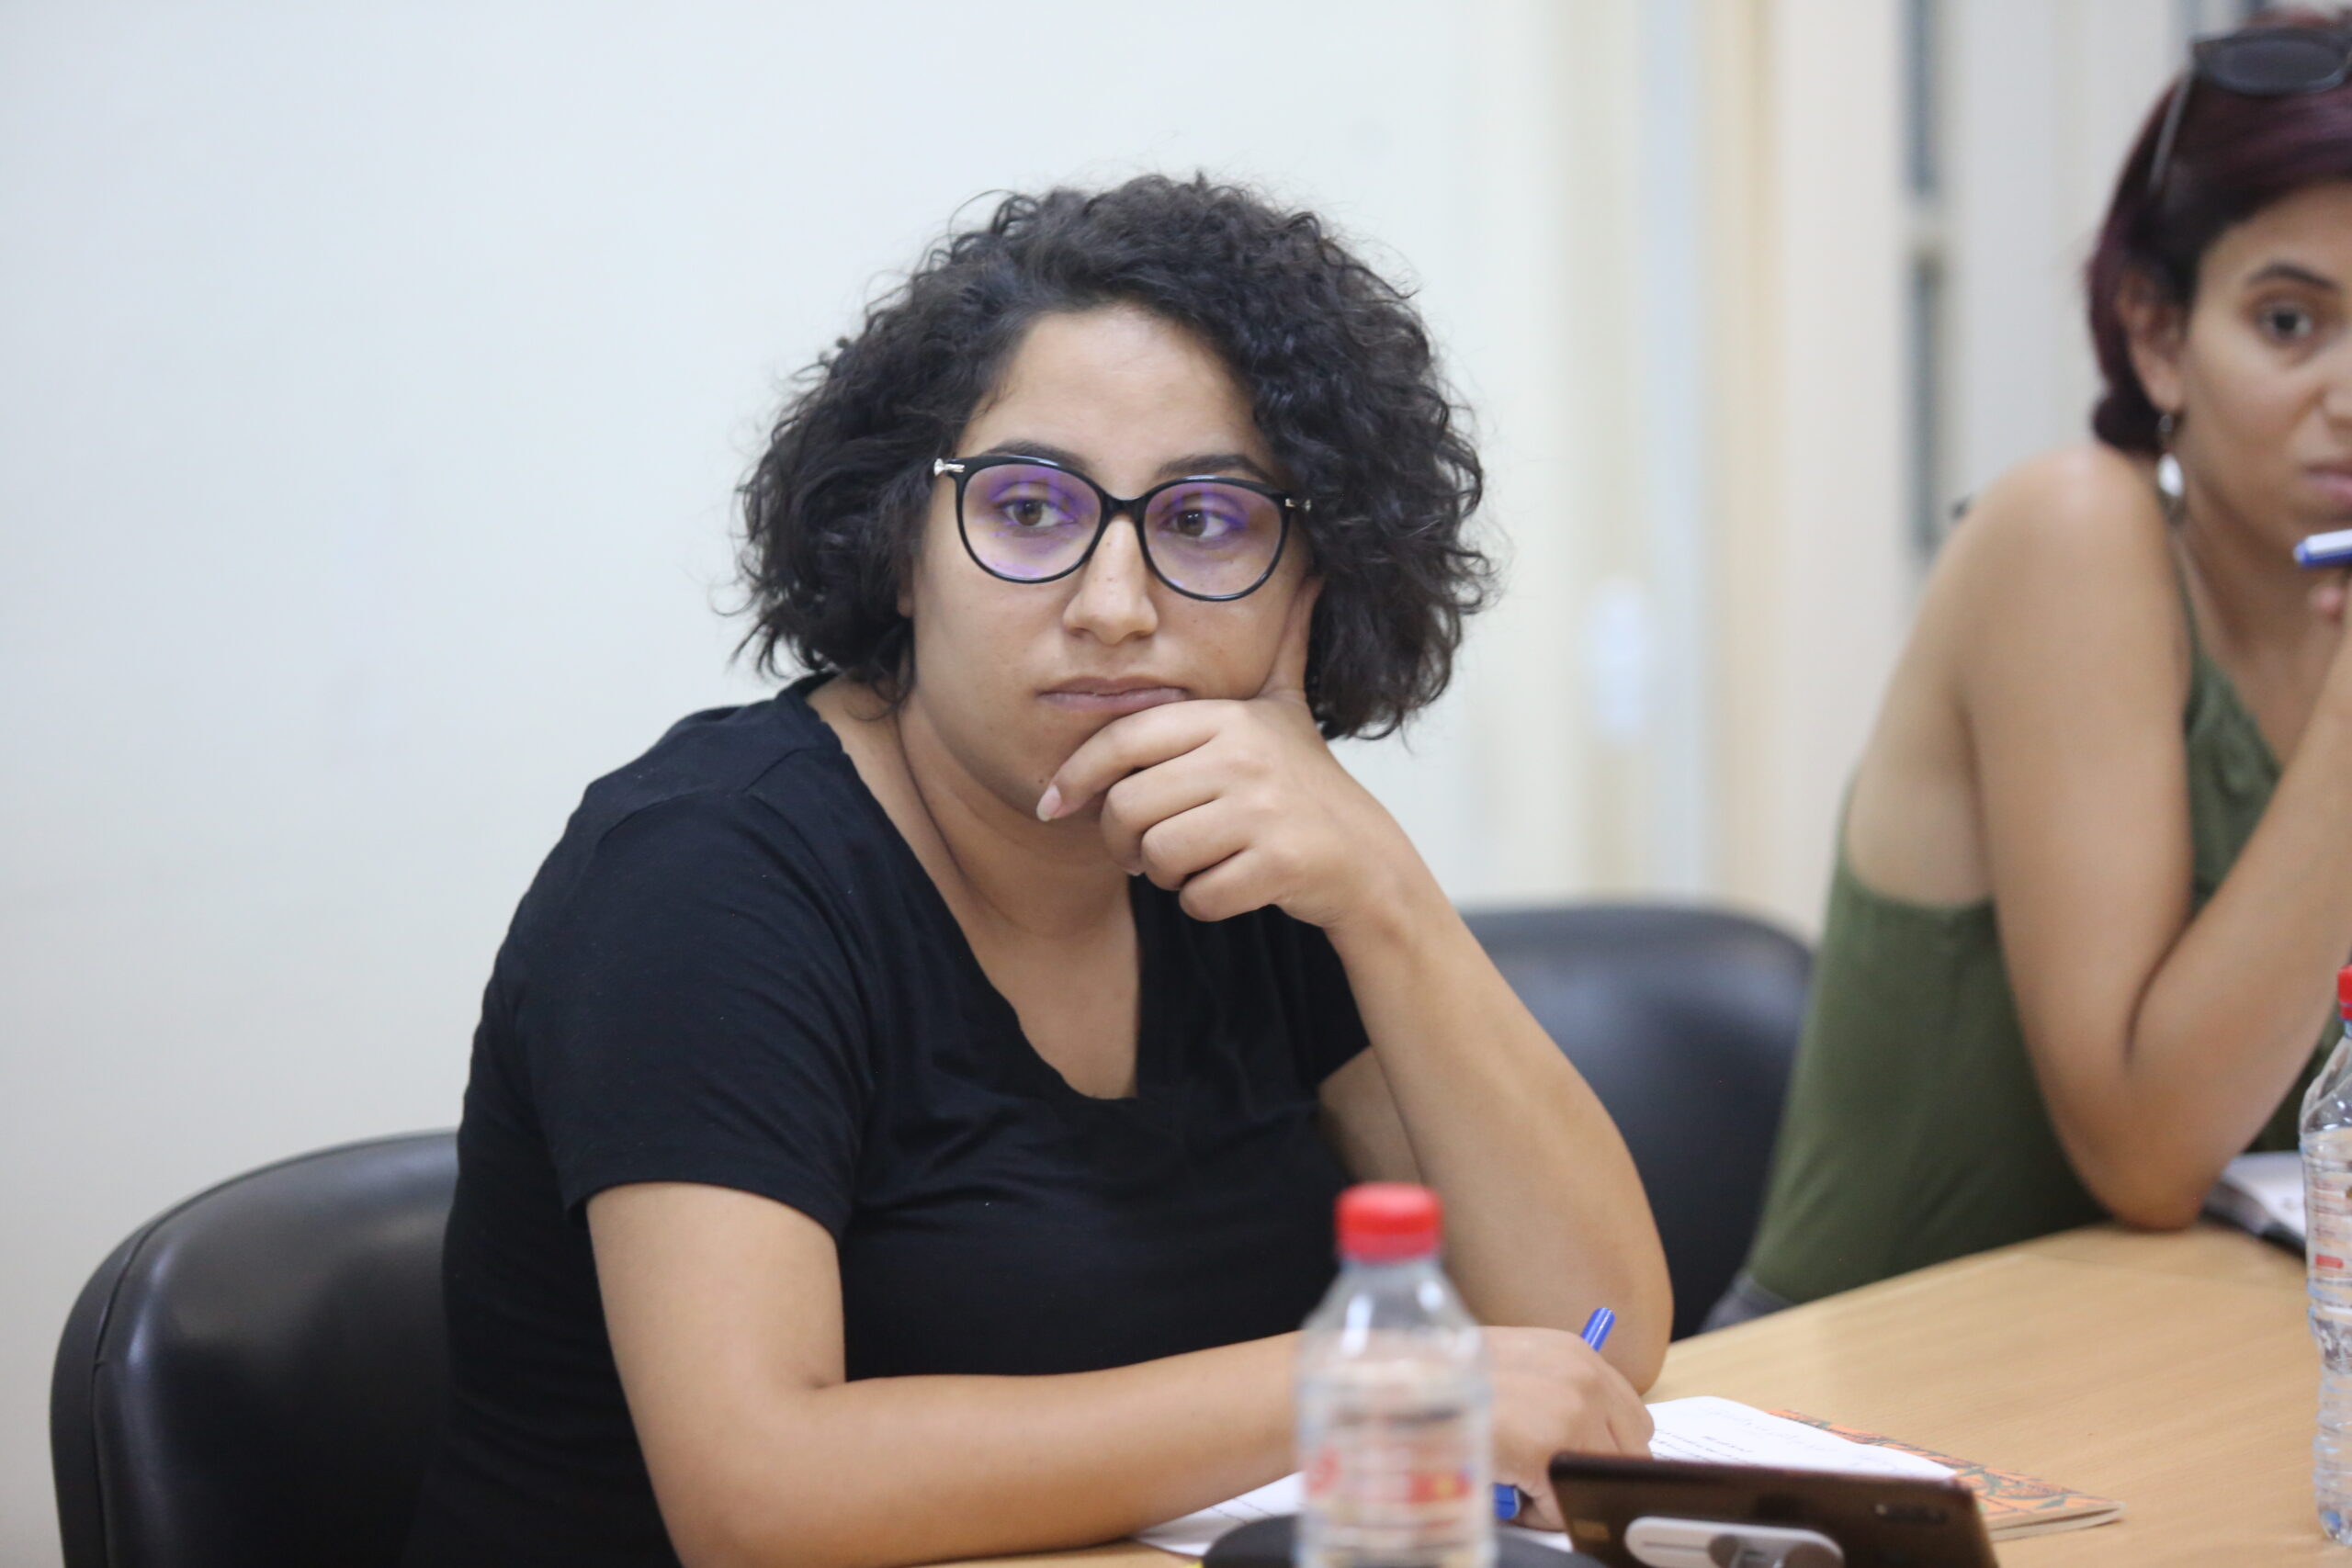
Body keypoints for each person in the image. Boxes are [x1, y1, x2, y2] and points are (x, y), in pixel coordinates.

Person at [399, 175, 1670, 1568]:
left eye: (1205, 522)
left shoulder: (1254, 852)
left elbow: (1588, 1341)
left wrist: (1387, 892)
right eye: (1027, 507)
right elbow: (757, 1497)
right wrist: (1358, 1389)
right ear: (901, 549)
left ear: (1313, 585)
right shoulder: (702, 875)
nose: (1115, 606)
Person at [1721, 10, 2352, 1327]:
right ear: (2158, 335)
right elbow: (2149, 1151)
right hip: (1865, 1402)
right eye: (2291, 321)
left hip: (2192, 1362)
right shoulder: (2073, 536)